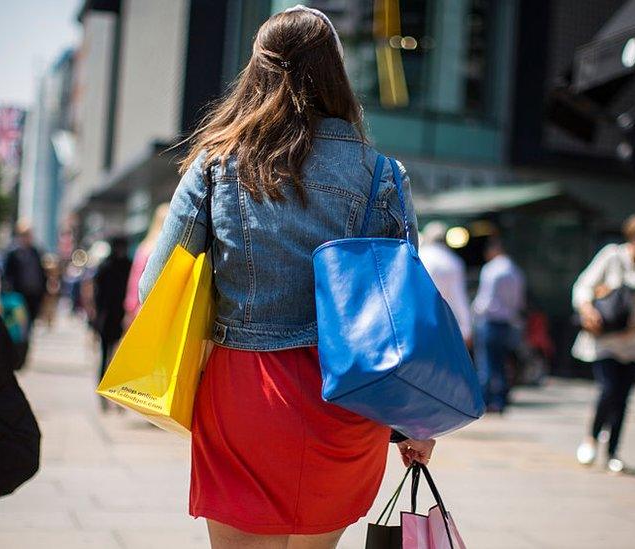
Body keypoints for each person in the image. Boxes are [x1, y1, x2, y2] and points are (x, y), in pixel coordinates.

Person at [138, 6, 433, 548]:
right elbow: (406, 311)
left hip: (244, 392)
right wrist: (418, 421)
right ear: (335, 74)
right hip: (348, 399)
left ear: (258, 70)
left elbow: (154, 287)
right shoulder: (383, 175)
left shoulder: (216, 163)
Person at [572, 214, 635, 473]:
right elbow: (583, 286)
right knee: (608, 389)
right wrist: (587, 309)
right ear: (632, 236)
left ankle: (613, 451)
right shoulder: (612, 255)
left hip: (634, 342)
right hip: (605, 339)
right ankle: (591, 438)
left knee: (623, 397)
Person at [472, 236, 526, 414]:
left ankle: (484, 401)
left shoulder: (491, 270)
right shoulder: (515, 271)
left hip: (489, 322)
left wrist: (475, 313)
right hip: (507, 323)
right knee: (502, 364)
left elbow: (484, 299)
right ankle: (500, 400)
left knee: (485, 364)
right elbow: (519, 302)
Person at [92, 236, 132, 411]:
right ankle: (107, 393)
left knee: (110, 356)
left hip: (112, 317)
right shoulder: (121, 266)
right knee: (110, 356)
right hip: (112, 317)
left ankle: (113, 394)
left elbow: (97, 294)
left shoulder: (106, 266)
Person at [420, 221, 472, 347]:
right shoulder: (453, 261)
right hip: (448, 325)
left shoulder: (419, 256)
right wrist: (467, 328)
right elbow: (459, 297)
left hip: (422, 323)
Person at [123, 203, 169, 327]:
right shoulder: (176, 249)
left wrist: (130, 307)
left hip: (142, 309)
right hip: (166, 311)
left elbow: (135, 280)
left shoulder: (145, 248)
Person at [3, 220, 47, 335]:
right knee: (19, 323)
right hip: (18, 296)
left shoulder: (36, 251)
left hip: (34, 294)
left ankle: (25, 345)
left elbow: (41, 273)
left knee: (30, 324)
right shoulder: (12, 253)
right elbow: (7, 275)